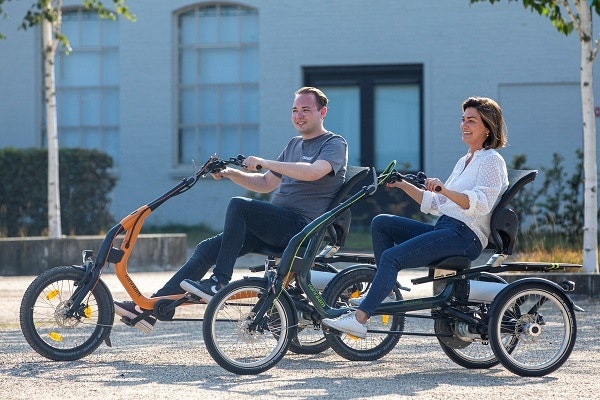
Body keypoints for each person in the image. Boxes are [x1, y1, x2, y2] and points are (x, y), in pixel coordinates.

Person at [114, 86, 348, 333]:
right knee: (206, 249)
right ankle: (149, 310)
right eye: (295, 110)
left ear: (322, 112)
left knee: (239, 205)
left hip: (302, 228)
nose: (299, 115)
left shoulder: (334, 144)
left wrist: (266, 162)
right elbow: (267, 183)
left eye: (306, 110)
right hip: (279, 225)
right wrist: (231, 174)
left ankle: (219, 281)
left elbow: (314, 172)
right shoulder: (294, 144)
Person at [322, 96, 509, 338]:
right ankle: (386, 290)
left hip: (465, 236)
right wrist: (402, 185)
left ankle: (360, 319)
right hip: (446, 228)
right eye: (463, 120)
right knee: (382, 223)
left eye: (471, 121)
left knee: (391, 257)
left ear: (488, 127)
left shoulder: (492, 160)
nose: (464, 125)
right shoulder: (466, 160)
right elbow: (436, 203)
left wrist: (445, 189)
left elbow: (481, 205)